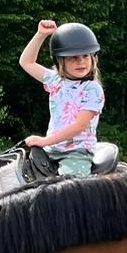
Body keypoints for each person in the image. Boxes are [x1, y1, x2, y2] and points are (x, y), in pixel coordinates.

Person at [17, 19, 106, 176]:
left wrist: (44, 141)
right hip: (52, 148)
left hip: (76, 151)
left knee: (70, 189)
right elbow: (26, 62)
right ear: (60, 61)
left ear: (93, 58)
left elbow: (79, 126)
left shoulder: (92, 89)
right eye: (73, 57)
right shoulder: (55, 80)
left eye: (85, 56)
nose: (81, 62)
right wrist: (40, 35)